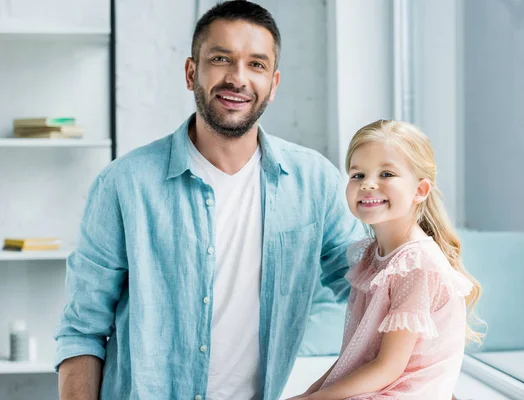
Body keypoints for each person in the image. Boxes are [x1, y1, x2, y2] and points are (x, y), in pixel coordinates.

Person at [53, 1, 363, 399]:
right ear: (191, 72)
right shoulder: (123, 185)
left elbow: (369, 285)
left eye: (256, 64)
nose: (238, 79)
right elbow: (83, 329)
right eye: (221, 59)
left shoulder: (314, 182)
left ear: (274, 84)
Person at [289, 120, 483, 400]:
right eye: (357, 175)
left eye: (386, 174)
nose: (368, 184)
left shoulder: (416, 264)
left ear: (420, 190)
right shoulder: (371, 256)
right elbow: (355, 354)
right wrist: (309, 393)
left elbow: (388, 368)